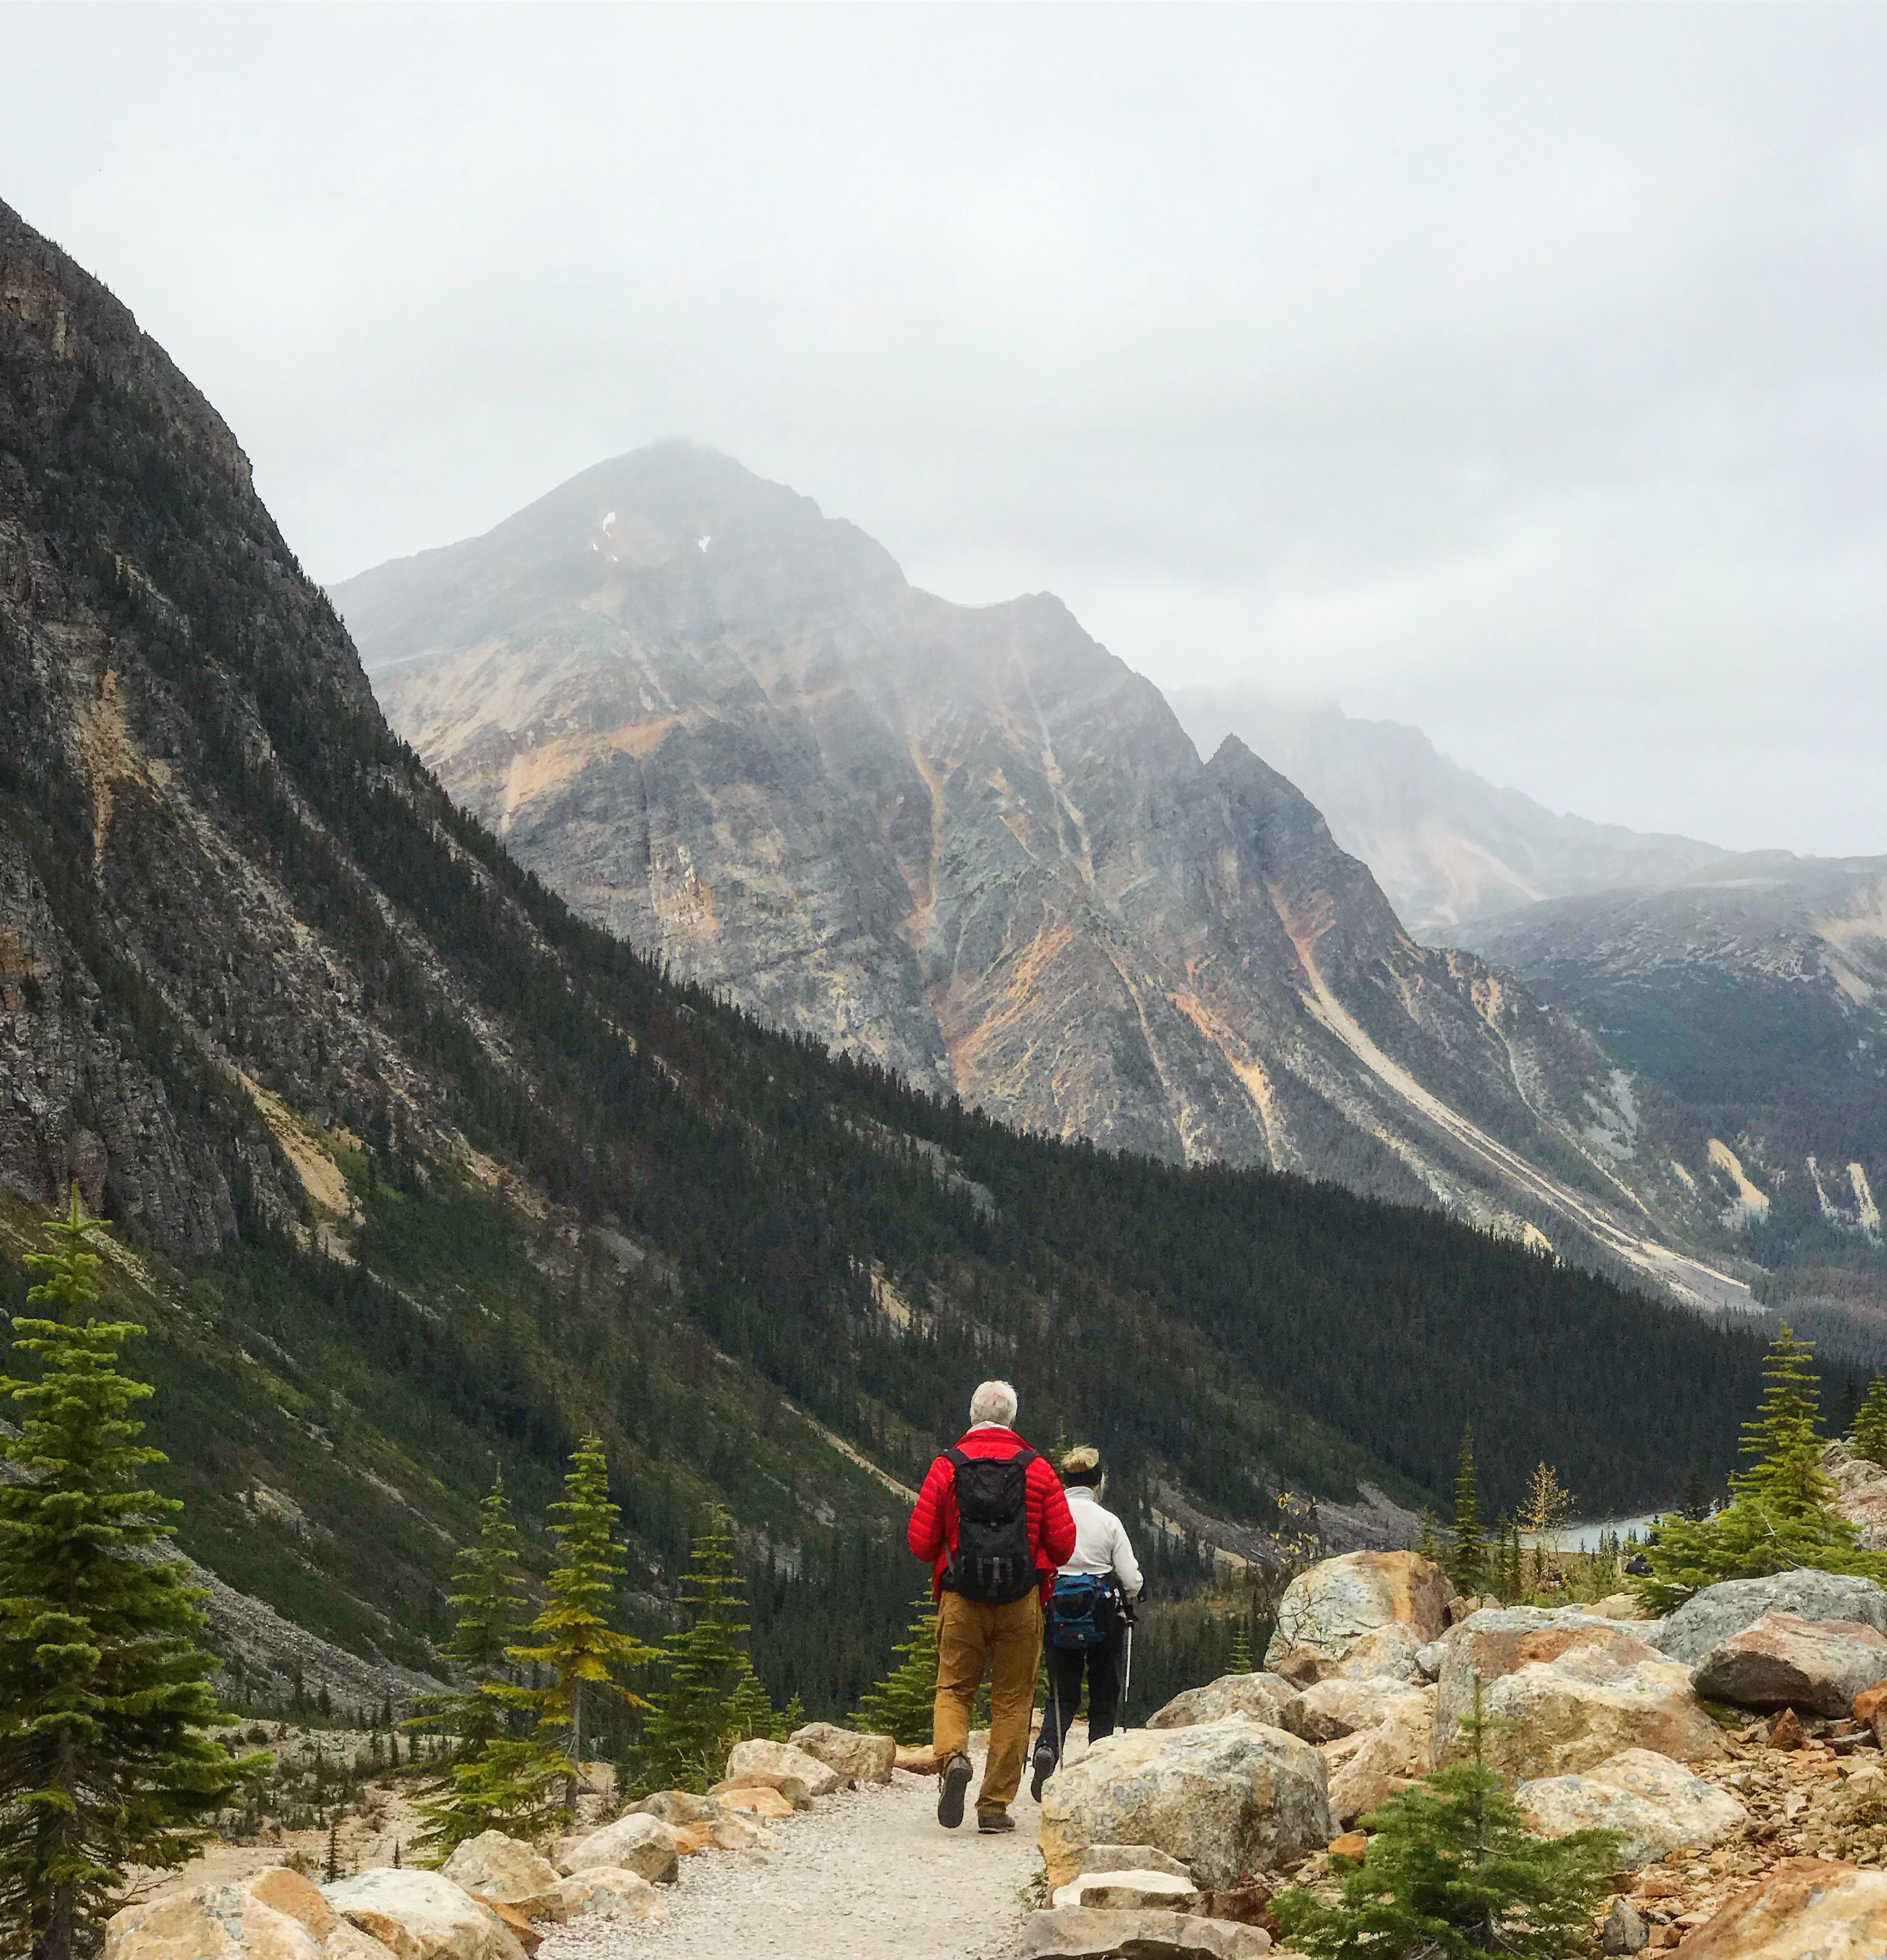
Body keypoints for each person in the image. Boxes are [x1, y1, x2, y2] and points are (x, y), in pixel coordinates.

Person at [907, 1380, 1075, 1833]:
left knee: (955, 1688)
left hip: (962, 1597)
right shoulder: (1038, 1469)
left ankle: (954, 1758)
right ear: (1012, 1420)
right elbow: (1062, 1545)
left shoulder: (947, 1466)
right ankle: (995, 1806)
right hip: (1021, 1600)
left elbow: (921, 1542)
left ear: (972, 1415)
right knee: (1013, 1699)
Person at [1032, 1445, 1142, 1799]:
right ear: (1098, 1482)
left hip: (1057, 1609)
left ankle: (1047, 1748)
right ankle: (1099, 1763)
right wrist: (1135, 1594)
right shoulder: (1108, 1521)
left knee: (1062, 1692)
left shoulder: (1053, 1516)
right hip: (1102, 1615)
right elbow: (1130, 1577)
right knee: (1103, 1691)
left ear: (1066, 1480)